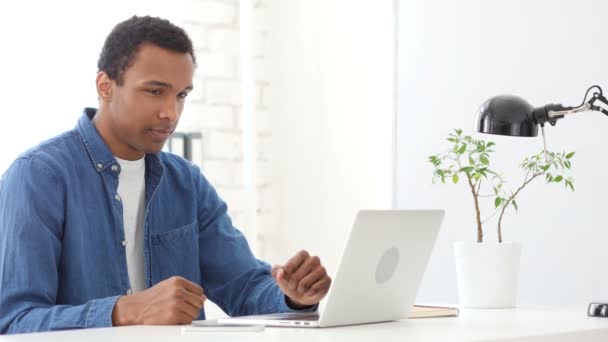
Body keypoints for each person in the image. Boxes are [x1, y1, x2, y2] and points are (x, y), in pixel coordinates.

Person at [0, 15, 331, 334]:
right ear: (106, 86)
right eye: (155, 91)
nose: (170, 113)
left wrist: (293, 297)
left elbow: (243, 286)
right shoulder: (39, 176)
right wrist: (127, 310)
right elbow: (15, 321)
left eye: (181, 95)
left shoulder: (186, 182)